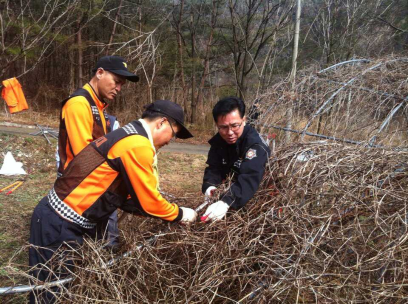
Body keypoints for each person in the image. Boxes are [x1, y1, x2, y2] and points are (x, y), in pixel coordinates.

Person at [29, 100, 197, 303]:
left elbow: (124, 194)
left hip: (60, 218)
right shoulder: (138, 144)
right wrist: (181, 214)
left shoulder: (128, 133)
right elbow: (148, 201)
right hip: (59, 222)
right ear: (161, 123)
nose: (172, 140)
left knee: (61, 288)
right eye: (175, 133)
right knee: (50, 293)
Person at [56, 55, 138, 250]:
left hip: (93, 183)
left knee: (98, 239)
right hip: (77, 186)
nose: (118, 88)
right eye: (116, 82)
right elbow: (84, 156)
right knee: (86, 243)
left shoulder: (98, 106)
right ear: (99, 73)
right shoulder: (79, 104)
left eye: (122, 85)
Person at [201, 96, 271, 222]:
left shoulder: (255, 145)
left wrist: (227, 201)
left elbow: (250, 176)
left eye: (235, 125)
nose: (230, 132)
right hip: (225, 195)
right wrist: (209, 187)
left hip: (253, 205)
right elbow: (214, 167)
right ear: (217, 125)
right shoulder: (219, 141)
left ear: (243, 120)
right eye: (223, 127)